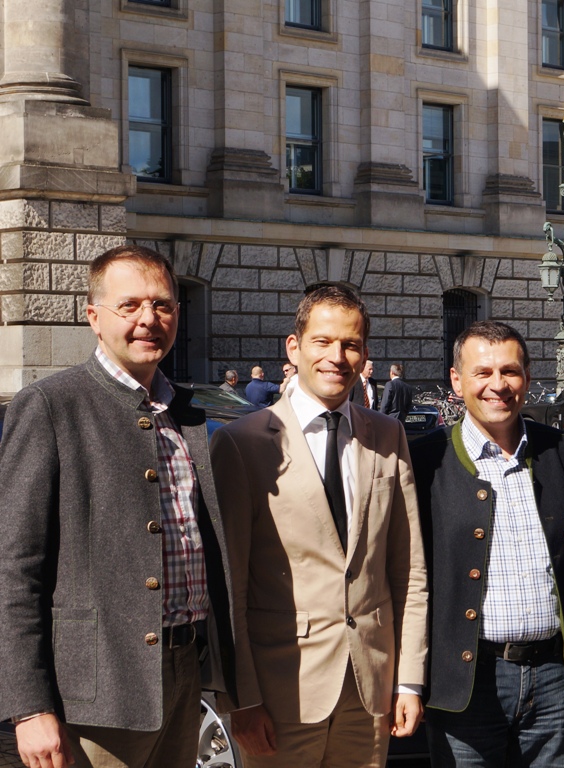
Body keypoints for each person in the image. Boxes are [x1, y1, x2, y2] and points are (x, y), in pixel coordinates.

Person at [0, 244, 236, 768]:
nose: (148, 320)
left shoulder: (186, 414)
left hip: (183, 674)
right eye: (129, 306)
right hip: (94, 693)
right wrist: (28, 706)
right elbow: (15, 570)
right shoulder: (49, 406)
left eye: (164, 305)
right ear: (94, 317)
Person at [210, 284, 428, 768]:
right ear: (294, 347)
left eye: (350, 344)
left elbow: (408, 572)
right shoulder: (241, 443)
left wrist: (408, 679)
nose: (337, 356)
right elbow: (231, 587)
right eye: (323, 342)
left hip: (370, 692)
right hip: (280, 692)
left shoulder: (387, 436)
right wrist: (241, 699)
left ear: (365, 354)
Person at [410, 321, 564, 768]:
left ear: (528, 378)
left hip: (554, 681)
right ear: (457, 381)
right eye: (482, 372)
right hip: (468, 682)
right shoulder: (423, 460)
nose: (498, 385)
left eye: (510, 371)